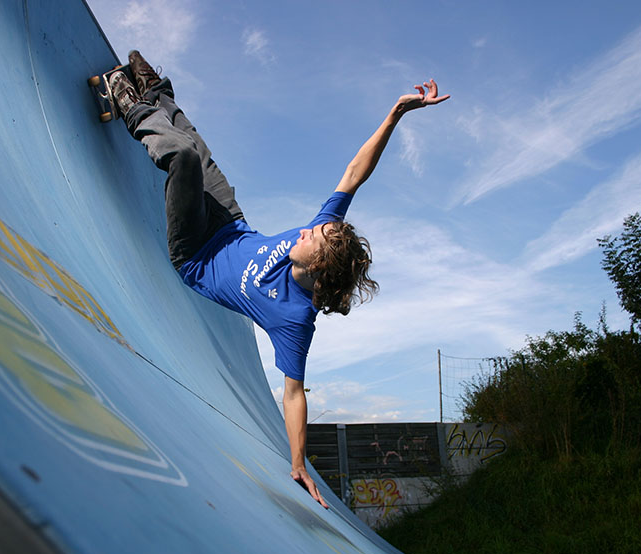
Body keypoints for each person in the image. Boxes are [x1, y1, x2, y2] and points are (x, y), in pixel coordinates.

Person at [113, 51, 449, 508]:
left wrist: (298, 464)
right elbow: (355, 174)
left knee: (184, 158)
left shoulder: (294, 321)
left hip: (193, 253)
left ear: (318, 267)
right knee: (197, 143)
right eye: (318, 226)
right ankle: (158, 97)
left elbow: (294, 395)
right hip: (229, 222)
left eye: (315, 236)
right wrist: (394, 115)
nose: (309, 228)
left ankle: (131, 105)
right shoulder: (324, 232)